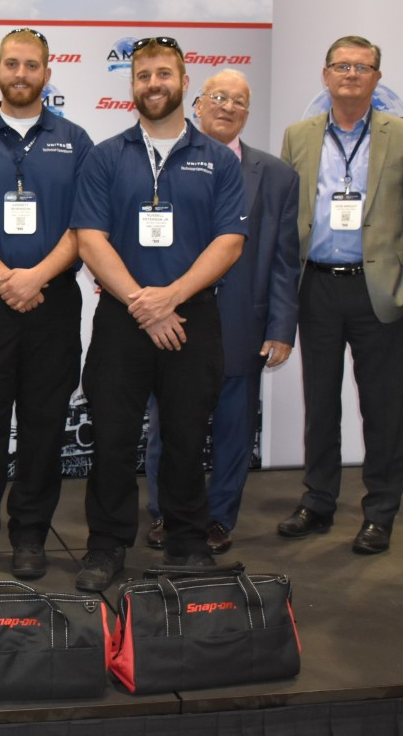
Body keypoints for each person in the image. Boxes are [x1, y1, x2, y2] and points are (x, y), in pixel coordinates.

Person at [70, 37, 246, 592]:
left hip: (192, 319)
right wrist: (145, 305)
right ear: (132, 85)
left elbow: (229, 242)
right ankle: (106, 546)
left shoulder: (219, 159)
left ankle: (188, 544)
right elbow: (89, 239)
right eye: (143, 75)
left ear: (184, 82)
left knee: (188, 438)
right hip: (123, 319)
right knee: (113, 438)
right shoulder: (105, 156)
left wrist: (170, 297)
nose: (153, 84)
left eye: (164, 74)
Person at [0, 28, 93, 579]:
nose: (22, 74)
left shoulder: (75, 140)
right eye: (12, 64)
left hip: (54, 302)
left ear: (47, 73)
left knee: (43, 426)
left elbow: (85, 227)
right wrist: (8, 278)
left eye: (32, 65)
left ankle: (30, 533)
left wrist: (37, 278)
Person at [277, 35, 403, 554]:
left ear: (376, 78)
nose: (351, 74)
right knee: (320, 404)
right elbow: (287, 216)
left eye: (362, 67)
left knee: (383, 408)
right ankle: (318, 500)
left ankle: (380, 512)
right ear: (325, 75)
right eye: (342, 66)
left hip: (377, 291)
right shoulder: (298, 136)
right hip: (316, 287)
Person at [143, 69, 300, 555]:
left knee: (235, 431)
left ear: (247, 113)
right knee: (168, 428)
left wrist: (281, 327)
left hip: (240, 323)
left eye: (239, 101)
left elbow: (284, 259)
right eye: (218, 97)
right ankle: (167, 514)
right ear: (198, 104)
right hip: (174, 320)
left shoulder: (277, 176)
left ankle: (218, 519)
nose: (228, 107)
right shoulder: (160, 164)